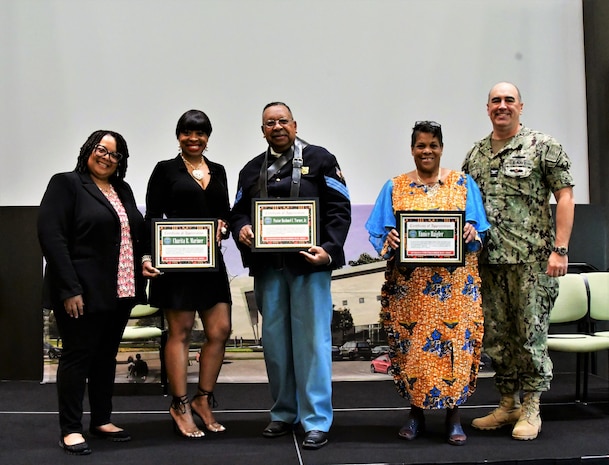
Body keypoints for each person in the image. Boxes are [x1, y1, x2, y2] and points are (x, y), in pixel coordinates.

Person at [230, 102, 351, 450]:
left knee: (312, 344)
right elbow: (237, 212)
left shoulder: (322, 159)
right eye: (270, 123)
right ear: (263, 130)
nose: (277, 127)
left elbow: (340, 209)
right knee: (276, 346)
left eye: (283, 121)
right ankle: (283, 413)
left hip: (309, 267)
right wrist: (243, 229)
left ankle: (315, 420)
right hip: (269, 270)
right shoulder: (251, 169)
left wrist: (329, 248)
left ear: (295, 125)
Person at [365, 120, 490, 446]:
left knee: (453, 350)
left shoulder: (463, 184)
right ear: (412, 149)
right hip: (411, 291)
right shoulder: (395, 186)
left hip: (455, 291)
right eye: (421, 145)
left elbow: (479, 229)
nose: (427, 151)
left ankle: (453, 416)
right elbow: (380, 232)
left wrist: (473, 232)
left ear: (441, 148)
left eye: (433, 145)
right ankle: (416, 413)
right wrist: (390, 237)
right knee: (415, 352)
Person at [462, 82, 575, 440]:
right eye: (496, 100)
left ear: (521, 107)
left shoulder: (544, 146)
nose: (502, 106)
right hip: (489, 263)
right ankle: (507, 403)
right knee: (497, 338)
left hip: (533, 261)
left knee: (530, 336)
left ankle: (532, 408)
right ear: (487, 107)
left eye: (509, 100)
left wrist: (560, 249)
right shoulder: (476, 154)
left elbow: (565, 196)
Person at [38, 130, 146, 455]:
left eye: (115, 154)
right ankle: (70, 429)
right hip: (80, 292)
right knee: (77, 357)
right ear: (89, 150)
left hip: (120, 290)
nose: (107, 157)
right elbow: (51, 237)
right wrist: (69, 288)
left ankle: (101, 420)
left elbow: (134, 234)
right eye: (102, 149)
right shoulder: (66, 184)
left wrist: (146, 258)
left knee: (105, 358)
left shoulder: (122, 189)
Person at [142, 109, 231, 439]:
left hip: (211, 263)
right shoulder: (165, 170)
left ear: (208, 137)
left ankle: (202, 400)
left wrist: (224, 224)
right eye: (187, 132)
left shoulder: (219, 170)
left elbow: (225, 213)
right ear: (178, 136)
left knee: (220, 330)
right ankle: (179, 405)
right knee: (179, 333)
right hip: (176, 263)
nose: (194, 138)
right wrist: (150, 254)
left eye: (200, 133)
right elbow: (152, 215)